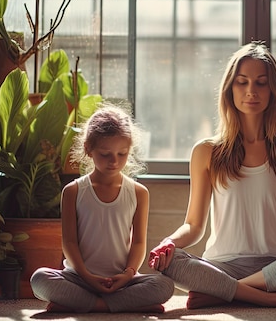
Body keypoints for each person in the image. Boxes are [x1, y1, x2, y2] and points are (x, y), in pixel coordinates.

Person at [148, 42, 276, 309]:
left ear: (274, 90)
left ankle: (226, 293)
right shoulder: (206, 151)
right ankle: (270, 299)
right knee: (169, 261)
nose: (251, 91)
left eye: (261, 83)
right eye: (242, 82)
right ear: (230, 89)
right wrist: (169, 242)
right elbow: (194, 226)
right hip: (221, 265)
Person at [30, 104, 174, 313]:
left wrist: (127, 274)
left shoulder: (139, 192)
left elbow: (139, 241)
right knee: (40, 279)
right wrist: (87, 276)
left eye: (122, 153)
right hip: (78, 278)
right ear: (88, 148)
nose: (114, 161)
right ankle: (118, 305)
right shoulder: (73, 191)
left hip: (122, 281)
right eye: (106, 154)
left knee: (164, 285)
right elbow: (69, 242)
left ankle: (83, 304)